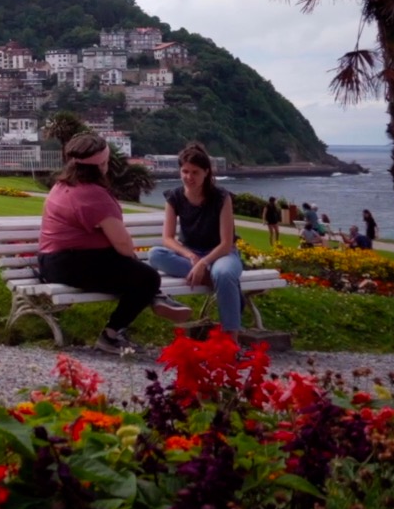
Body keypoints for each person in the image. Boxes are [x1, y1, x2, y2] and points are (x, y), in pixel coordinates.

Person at [36, 133, 190, 355]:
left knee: (132, 272)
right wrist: (133, 262)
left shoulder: (61, 187)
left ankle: (156, 296)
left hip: (50, 262)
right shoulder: (94, 195)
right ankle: (112, 334)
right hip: (71, 264)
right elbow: (123, 245)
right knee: (147, 278)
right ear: (101, 165)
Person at [150, 142, 245, 333]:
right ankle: (216, 280)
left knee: (224, 273)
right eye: (185, 171)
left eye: (195, 172)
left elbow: (226, 244)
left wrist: (203, 263)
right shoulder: (174, 197)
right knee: (155, 255)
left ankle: (231, 338)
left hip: (221, 255)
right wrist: (191, 257)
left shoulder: (221, 197)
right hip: (191, 256)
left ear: (206, 172)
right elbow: (167, 238)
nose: (189, 177)